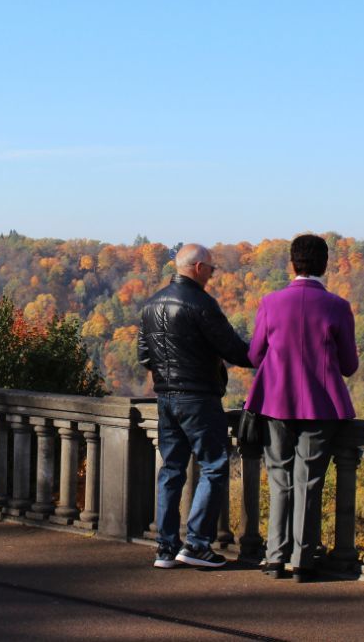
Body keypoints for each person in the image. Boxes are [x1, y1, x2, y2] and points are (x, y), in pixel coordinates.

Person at [244, 234, 358, 581]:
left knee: (280, 478)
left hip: (275, 400)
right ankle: (302, 561)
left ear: (292, 265)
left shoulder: (270, 303)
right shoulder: (338, 307)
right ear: (325, 265)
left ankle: (274, 556)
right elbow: (349, 366)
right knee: (308, 481)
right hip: (322, 405)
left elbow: (254, 355)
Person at [138, 243, 251, 569]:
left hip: (165, 397)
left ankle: (165, 548)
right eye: (212, 268)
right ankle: (198, 545)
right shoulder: (201, 304)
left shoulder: (151, 304)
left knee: (171, 470)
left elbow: (144, 356)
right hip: (199, 397)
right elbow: (234, 350)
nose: (213, 274)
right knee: (214, 466)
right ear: (199, 267)